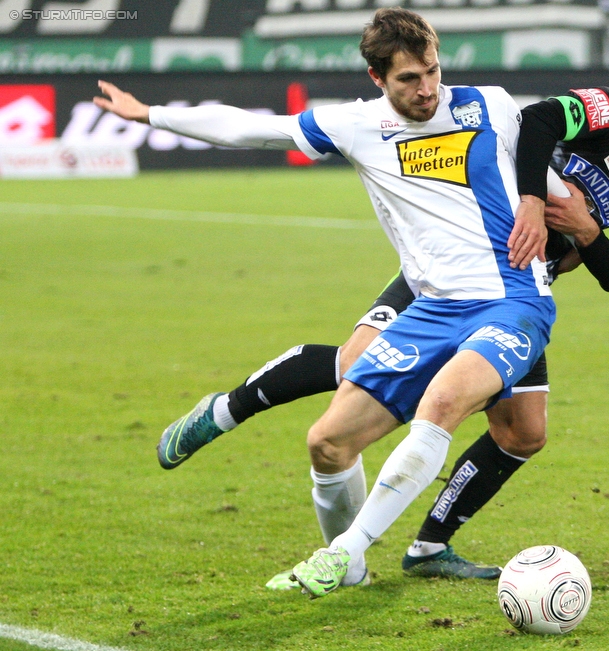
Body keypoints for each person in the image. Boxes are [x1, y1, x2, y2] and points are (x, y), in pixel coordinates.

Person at [145, 55, 609, 584]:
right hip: (446, 270)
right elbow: (539, 123)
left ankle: (428, 548)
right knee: (353, 366)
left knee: (523, 432)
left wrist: (584, 227)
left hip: (518, 290)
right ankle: (225, 410)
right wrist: (532, 199)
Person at [95, 7, 557, 598]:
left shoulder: (490, 104)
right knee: (327, 442)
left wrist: (557, 214)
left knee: (441, 404)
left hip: (512, 301)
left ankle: (342, 552)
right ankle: (356, 572)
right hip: (432, 308)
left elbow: (551, 168)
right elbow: (248, 128)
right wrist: (150, 113)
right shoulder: (355, 126)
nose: (426, 90)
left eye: (432, 73)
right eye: (407, 80)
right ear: (376, 79)